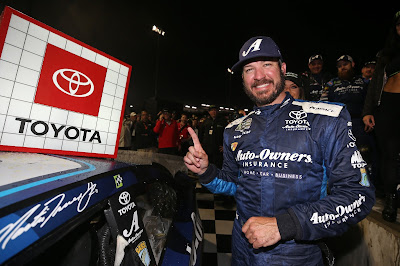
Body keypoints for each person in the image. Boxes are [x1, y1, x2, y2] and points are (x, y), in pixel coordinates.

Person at [184, 36, 375, 265]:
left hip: (298, 256)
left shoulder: (326, 119)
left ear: (282, 69)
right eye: (249, 69)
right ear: (243, 78)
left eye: (267, 65)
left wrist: (283, 225)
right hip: (242, 252)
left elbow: (358, 195)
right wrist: (206, 171)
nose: (258, 76)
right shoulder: (234, 129)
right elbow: (234, 183)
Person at [363, 10, 400, 222]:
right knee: (389, 154)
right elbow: (375, 84)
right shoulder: (387, 54)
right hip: (388, 105)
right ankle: (391, 201)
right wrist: (368, 111)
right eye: (398, 24)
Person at [320, 55, 369, 149]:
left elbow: (372, 100)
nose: (342, 67)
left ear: (352, 64)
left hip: (361, 122)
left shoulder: (364, 81)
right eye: (339, 66)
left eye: (345, 64)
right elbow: (323, 103)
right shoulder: (331, 84)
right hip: (339, 124)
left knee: (364, 150)